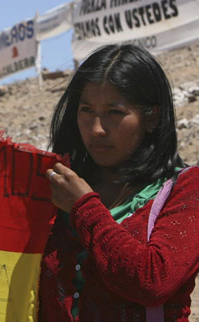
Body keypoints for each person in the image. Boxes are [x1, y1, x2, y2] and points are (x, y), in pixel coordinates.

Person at [39, 43, 199, 321]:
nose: (97, 129)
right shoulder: (59, 183)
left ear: (151, 118)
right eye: (87, 110)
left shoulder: (186, 189)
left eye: (114, 112)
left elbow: (153, 281)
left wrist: (83, 208)